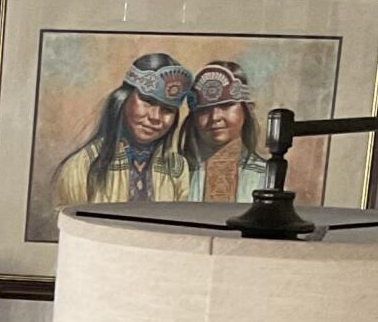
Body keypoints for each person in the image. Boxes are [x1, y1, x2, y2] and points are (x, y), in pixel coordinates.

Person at [51, 51, 193, 207]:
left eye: (167, 110)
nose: (155, 117)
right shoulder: (83, 165)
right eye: (147, 101)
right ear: (123, 99)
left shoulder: (176, 168)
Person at [185, 58, 272, 203]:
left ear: (247, 109)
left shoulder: (268, 176)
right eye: (204, 109)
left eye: (226, 105)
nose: (215, 117)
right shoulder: (177, 173)